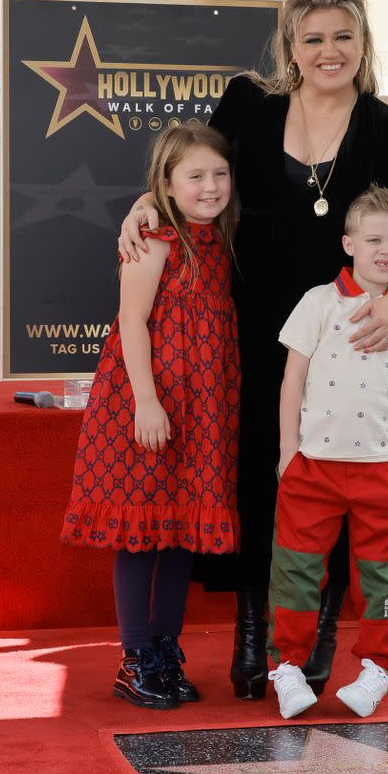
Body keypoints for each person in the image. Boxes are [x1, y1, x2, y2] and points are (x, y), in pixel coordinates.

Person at [118, 0, 388, 701]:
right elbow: (188, 172)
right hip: (249, 330)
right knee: (262, 474)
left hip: (354, 332)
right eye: (313, 38)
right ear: (290, 47)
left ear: (362, 42)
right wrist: (145, 202)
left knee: (341, 475)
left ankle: (322, 622)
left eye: (342, 37)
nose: (330, 51)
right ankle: (255, 624)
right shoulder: (248, 106)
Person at [61, 122, 241, 710]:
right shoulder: (155, 239)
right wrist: (146, 400)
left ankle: (165, 648)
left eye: (219, 174)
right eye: (195, 176)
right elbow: (132, 320)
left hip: (201, 409)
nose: (210, 186)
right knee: (140, 536)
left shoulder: (219, 238)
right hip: (146, 407)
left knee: (182, 533)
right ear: (165, 183)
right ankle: (135, 655)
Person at [267, 186, 388, 720]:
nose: (386, 250)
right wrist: (289, 452)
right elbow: (293, 379)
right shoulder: (317, 302)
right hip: (312, 467)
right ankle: (287, 668)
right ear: (348, 242)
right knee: (296, 568)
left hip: (380, 470)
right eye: (375, 238)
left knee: (385, 574)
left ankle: (377, 670)